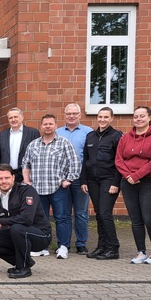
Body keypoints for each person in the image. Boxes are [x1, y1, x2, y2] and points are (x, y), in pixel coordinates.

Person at [21, 113, 80, 259]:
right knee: (41, 219)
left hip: (58, 188)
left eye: (50, 124)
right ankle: (42, 247)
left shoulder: (64, 143)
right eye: (45, 124)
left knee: (62, 217)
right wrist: (26, 180)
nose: (47, 126)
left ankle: (63, 246)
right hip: (38, 188)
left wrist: (69, 180)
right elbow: (25, 163)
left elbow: (75, 162)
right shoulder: (33, 144)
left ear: (55, 125)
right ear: (41, 126)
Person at [115, 106, 151, 265]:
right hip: (128, 182)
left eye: (142, 116)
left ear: (150, 117)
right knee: (135, 219)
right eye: (136, 116)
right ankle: (141, 252)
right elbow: (118, 159)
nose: (138, 119)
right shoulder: (126, 137)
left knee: (150, 218)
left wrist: (136, 175)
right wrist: (129, 176)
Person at [80, 107, 122, 260]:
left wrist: (116, 183)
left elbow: (120, 162)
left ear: (111, 118)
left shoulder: (116, 136)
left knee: (105, 213)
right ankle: (102, 246)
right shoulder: (90, 136)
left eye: (106, 117)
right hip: (92, 181)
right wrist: (83, 180)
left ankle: (113, 247)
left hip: (109, 180)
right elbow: (85, 160)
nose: (102, 120)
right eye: (100, 117)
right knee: (99, 214)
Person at [56, 103, 93, 254]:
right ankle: (63, 244)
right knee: (63, 213)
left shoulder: (88, 132)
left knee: (81, 213)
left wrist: (86, 179)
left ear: (80, 115)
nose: (71, 116)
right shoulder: (57, 132)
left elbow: (90, 157)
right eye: (68, 113)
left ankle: (81, 243)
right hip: (62, 180)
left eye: (74, 113)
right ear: (64, 115)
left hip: (80, 179)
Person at [0, 107, 40, 183]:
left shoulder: (33, 133)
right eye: (10, 118)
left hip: (25, 175)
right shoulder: (2, 135)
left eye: (16, 117)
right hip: (6, 175)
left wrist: (30, 175)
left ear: (22, 118)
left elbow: (37, 156)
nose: (13, 120)